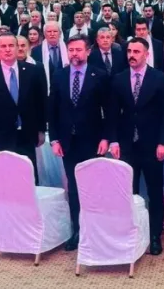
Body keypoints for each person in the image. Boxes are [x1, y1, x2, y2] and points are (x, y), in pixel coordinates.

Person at [106, 37, 164, 256]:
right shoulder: (118, 79)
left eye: (136, 52)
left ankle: (154, 236)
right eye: (129, 51)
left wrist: (163, 142)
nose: (131, 55)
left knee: (155, 192)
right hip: (127, 146)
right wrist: (114, 140)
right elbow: (112, 114)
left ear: (146, 54)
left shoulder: (159, 78)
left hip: (152, 146)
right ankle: (131, 235)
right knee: (128, 193)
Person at [47, 34, 110, 252]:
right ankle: (78, 230)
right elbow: (52, 110)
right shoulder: (59, 75)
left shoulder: (100, 75)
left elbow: (109, 111)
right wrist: (54, 139)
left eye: (78, 50)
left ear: (88, 51)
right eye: (71, 50)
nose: (74, 54)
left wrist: (106, 137)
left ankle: (96, 230)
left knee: (94, 187)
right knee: (73, 188)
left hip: (93, 142)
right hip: (68, 142)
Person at [0, 35, 46, 169]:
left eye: (11, 46)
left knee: (27, 176)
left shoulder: (33, 72)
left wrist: (41, 130)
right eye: (3, 46)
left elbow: (41, 103)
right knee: (3, 176)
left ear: (17, 48)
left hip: (26, 137)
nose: (7, 49)